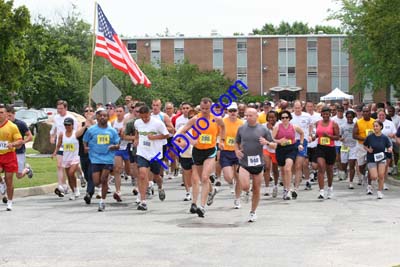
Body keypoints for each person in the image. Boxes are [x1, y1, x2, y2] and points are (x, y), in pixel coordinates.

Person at [178, 98, 225, 218]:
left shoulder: (216, 119)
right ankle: (212, 191)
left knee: (204, 177)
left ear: (211, 108)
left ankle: (202, 207)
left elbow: (223, 128)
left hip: (210, 150)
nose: (205, 111)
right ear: (200, 108)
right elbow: (182, 132)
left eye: (207, 109)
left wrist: (221, 141)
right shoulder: (195, 119)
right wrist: (191, 140)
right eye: (202, 109)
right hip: (197, 151)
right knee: (202, 178)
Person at [235, 108, 272, 222]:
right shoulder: (241, 128)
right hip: (244, 161)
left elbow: (274, 144)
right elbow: (236, 142)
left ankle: (253, 212)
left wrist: (267, 143)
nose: (247, 117)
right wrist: (236, 151)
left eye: (250, 115)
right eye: (246, 115)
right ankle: (246, 192)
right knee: (246, 185)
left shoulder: (263, 129)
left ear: (256, 116)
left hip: (258, 162)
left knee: (256, 189)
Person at [83, 109, 120, 211]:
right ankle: (101, 190)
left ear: (108, 118)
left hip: (107, 158)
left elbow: (118, 143)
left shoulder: (112, 131)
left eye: (105, 116)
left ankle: (102, 201)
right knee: (96, 182)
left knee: (104, 179)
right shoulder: (91, 130)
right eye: (100, 116)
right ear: (97, 117)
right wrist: (85, 148)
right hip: (95, 158)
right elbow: (85, 140)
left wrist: (114, 146)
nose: (102, 117)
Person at [134, 105, 169, 211]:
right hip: (142, 152)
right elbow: (137, 132)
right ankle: (143, 201)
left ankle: (160, 187)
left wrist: (154, 137)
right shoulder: (137, 123)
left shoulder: (157, 123)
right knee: (142, 175)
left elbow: (167, 135)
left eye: (146, 117)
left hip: (155, 153)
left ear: (150, 114)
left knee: (156, 176)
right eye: (142, 117)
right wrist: (136, 139)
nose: (144, 119)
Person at [272, 110, 304, 200]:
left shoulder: (294, 127)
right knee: (283, 170)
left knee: (288, 168)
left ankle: (288, 190)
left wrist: (301, 143)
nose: (285, 119)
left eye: (286, 117)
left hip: (291, 149)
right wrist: (279, 141)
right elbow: (271, 138)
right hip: (280, 149)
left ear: (289, 118)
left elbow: (302, 133)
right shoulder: (277, 127)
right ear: (280, 119)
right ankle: (285, 189)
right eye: (282, 118)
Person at [50, 100, 78, 197]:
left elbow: (77, 131)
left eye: (61, 109)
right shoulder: (56, 118)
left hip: (71, 144)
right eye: (58, 109)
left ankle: (81, 175)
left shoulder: (72, 118)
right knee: (59, 165)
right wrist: (52, 136)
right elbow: (54, 128)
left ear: (66, 108)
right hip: (61, 143)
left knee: (72, 166)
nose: (59, 110)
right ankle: (61, 185)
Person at [219, 102, 243, 208]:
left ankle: (237, 199)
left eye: (234, 111)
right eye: (230, 111)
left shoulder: (242, 123)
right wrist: (220, 142)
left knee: (239, 176)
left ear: (237, 112)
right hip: (226, 152)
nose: (232, 113)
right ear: (227, 112)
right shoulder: (222, 122)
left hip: (238, 152)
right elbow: (217, 134)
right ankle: (231, 183)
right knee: (228, 176)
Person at [0, 104, 23, 211]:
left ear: (6, 114)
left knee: (9, 180)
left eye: (1, 113)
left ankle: (9, 201)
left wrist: (12, 144)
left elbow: (20, 141)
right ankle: (1, 183)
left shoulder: (12, 126)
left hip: (9, 155)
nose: (0, 115)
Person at [52, 118, 81, 200]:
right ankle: (74, 190)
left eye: (69, 125)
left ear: (72, 125)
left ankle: (79, 180)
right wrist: (55, 152)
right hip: (66, 157)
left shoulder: (76, 134)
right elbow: (58, 144)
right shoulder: (62, 134)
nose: (67, 126)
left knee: (72, 173)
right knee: (69, 176)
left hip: (75, 157)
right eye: (66, 125)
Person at [314, 106, 340, 199]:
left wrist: (329, 136)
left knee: (329, 170)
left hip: (330, 148)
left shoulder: (334, 124)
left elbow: (337, 137)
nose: (325, 115)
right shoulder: (318, 123)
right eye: (324, 114)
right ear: (321, 114)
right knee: (321, 167)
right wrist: (313, 137)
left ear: (330, 114)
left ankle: (329, 188)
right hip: (320, 147)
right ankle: (321, 191)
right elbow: (317, 134)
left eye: (327, 114)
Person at [364, 121, 392, 199]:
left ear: (381, 127)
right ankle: (368, 174)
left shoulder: (384, 137)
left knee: (381, 175)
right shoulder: (370, 137)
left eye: (377, 126)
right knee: (374, 176)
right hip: (371, 157)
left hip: (381, 157)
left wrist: (390, 149)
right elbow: (364, 145)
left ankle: (379, 191)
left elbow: (389, 146)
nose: (375, 128)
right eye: (374, 126)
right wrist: (368, 150)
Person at [6, 106, 33, 180]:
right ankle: (3, 184)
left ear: (14, 114)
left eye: (10, 116)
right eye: (6, 116)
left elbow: (30, 137)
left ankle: (27, 169)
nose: (8, 118)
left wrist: (21, 142)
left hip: (19, 152)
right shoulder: (3, 125)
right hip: (7, 152)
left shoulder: (20, 124)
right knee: (6, 171)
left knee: (19, 175)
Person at [353, 106, 375, 193]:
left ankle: (369, 186)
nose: (366, 113)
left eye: (367, 111)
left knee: (370, 165)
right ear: (362, 113)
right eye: (364, 112)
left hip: (371, 146)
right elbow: (354, 135)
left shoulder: (374, 121)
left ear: (370, 112)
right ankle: (364, 174)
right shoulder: (358, 122)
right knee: (361, 166)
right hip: (361, 146)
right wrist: (364, 138)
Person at [77, 106, 96, 204]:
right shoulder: (81, 124)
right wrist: (85, 126)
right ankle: (91, 187)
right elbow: (77, 135)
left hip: (94, 153)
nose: (89, 113)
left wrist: (91, 124)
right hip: (83, 152)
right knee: (86, 173)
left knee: (91, 173)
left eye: (91, 111)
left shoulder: (96, 124)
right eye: (86, 111)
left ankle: (89, 193)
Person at [340, 110, 358, 189]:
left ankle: (351, 182)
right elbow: (339, 136)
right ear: (346, 117)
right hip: (345, 146)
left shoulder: (356, 125)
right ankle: (345, 171)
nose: (349, 118)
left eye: (351, 117)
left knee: (352, 164)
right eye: (348, 117)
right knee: (343, 164)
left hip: (353, 146)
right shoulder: (343, 126)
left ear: (353, 117)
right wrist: (341, 138)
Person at [263, 111, 279, 197]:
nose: (271, 119)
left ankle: (275, 185)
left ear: (276, 118)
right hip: (266, 149)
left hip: (276, 150)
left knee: (275, 169)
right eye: (269, 117)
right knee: (267, 167)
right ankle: (266, 187)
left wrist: (273, 129)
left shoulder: (279, 125)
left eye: (273, 117)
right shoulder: (263, 126)